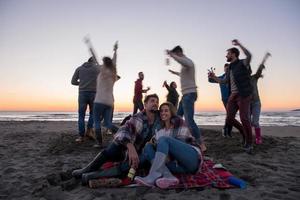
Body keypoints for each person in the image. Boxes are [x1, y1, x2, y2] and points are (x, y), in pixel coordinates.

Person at [72, 94, 161, 185]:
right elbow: (123, 130)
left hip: (143, 154)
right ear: (145, 104)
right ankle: (86, 170)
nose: (155, 103)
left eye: (157, 102)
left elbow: (172, 119)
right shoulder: (138, 118)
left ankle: (90, 176)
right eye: (152, 101)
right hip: (127, 152)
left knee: (137, 161)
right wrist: (130, 146)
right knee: (115, 145)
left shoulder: (160, 119)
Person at [135, 102, 201, 188]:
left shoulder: (179, 122)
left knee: (163, 139)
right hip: (178, 167)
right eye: (161, 111)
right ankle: (168, 176)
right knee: (148, 147)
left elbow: (182, 142)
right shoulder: (160, 131)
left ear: (171, 112)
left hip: (191, 160)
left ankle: (153, 175)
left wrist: (168, 154)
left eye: (166, 111)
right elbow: (153, 146)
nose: (163, 113)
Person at [209, 39, 253, 153]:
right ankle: (244, 133)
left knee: (244, 118)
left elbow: (249, 55)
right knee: (229, 118)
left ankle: (249, 142)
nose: (226, 56)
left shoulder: (242, 63)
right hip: (233, 95)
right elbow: (224, 81)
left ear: (233, 54)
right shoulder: (229, 68)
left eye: (228, 54)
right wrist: (213, 77)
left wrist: (239, 45)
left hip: (243, 94)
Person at [167, 45, 205, 150]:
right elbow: (182, 74)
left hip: (190, 94)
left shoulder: (188, 62)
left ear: (179, 53)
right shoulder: (185, 66)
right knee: (177, 117)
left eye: (176, 54)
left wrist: (172, 55)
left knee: (189, 121)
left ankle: (201, 144)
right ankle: (176, 138)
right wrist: (174, 72)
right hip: (185, 95)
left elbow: (183, 62)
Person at [92, 41, 120, 147]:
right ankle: (123, 134)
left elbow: (94, 58)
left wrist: (90, 46)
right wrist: (116, 50)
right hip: (109, 102)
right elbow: (115, 61)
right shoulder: (113, 74)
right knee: (107, 123)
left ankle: (99, 143)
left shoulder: (102, 71)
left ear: (104, 63)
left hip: (99, 101)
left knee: (97, 122)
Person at [71, 57, 99, 143]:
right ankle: (89, 131)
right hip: (94, 93)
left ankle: (81, 136)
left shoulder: (79, 68)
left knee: (81, 115)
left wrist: (82, 83)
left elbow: (73, 82)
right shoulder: (97, 69)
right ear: (94, 62)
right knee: (93, 113)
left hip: (82, 93)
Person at [250, 52, 271, 144]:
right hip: (246, 103)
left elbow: (259, 69)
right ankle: (249, 137)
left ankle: (258, 138)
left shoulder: (254, 78)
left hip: (255, 102)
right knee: (247, 122)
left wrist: (265, 58)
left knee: (255, 122)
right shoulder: (241, 79)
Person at [208, 64, 233, 137]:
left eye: (228, 68)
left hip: (233, 97)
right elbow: (211, 80)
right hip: (225, 98)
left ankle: (228, 131)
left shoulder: (232, 76)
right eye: (226, 68)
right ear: (224, 69)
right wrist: (210, 75)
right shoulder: (221, 77)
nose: (227, 69)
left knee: (230, 115)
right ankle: (226, 130)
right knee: (229, 114)